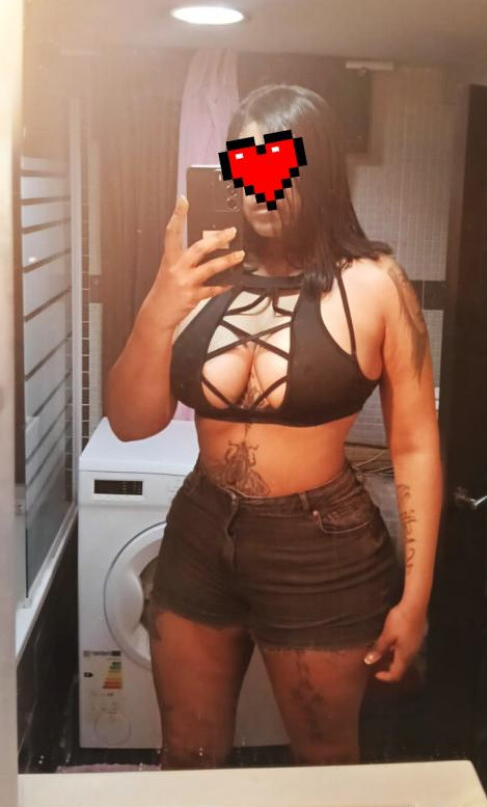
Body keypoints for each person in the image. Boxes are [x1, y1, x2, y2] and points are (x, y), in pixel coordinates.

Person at [105, 84, 443, 770]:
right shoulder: (202, 277)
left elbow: (415, 445)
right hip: (200, 530)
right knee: (189, 753)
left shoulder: (376, 283)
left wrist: (415, 598)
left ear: (317, 169)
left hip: (320, 549)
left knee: (324, 759)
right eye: (243, 163)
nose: (259, 184)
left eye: (276, 162)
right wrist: (159, 304)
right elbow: (131, 423)